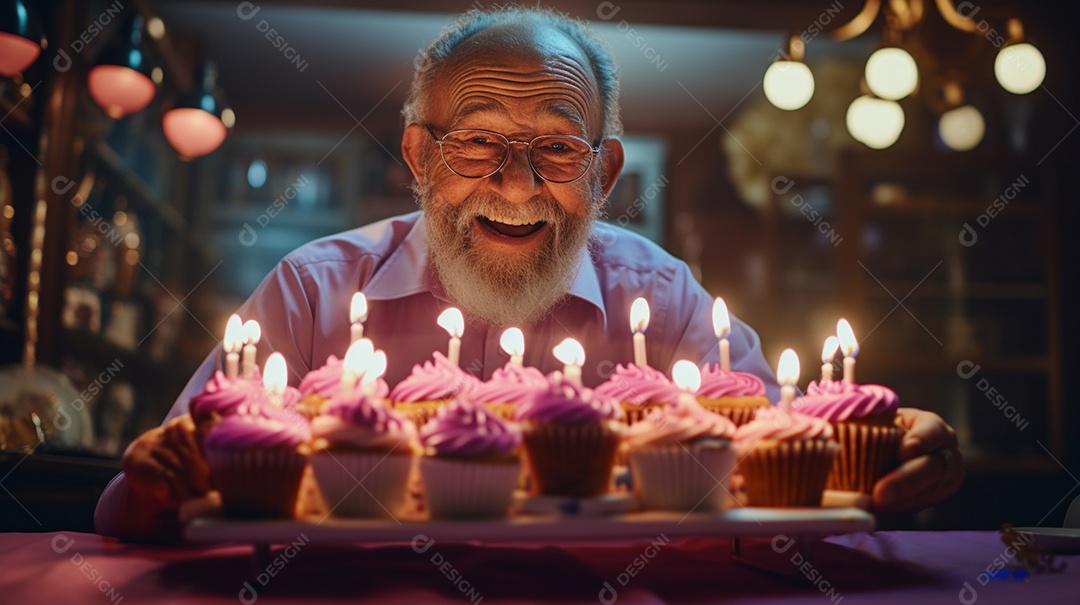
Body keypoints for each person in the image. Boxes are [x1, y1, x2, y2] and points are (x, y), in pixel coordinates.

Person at [95, 6, 963, 540]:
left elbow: (791, 456)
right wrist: (153, 481)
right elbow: (136, 504)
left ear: (605, 173)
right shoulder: (312, 289)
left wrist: (892, 450)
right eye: (476, 142)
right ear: (419, 158)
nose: (517, 184)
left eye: (556, 147)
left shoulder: (660, 301)